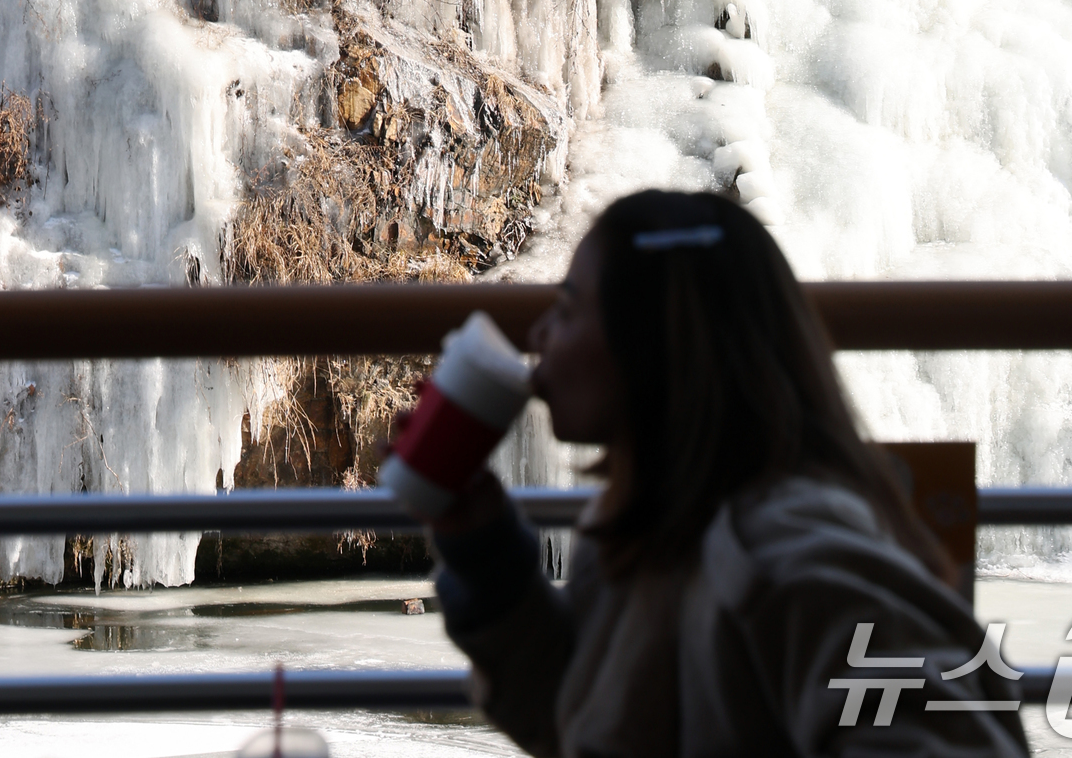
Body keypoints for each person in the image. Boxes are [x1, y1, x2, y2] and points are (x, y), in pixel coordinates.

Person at [422, 189, 1029, 758]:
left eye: (569, 306)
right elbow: (588, 723)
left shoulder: (780, 552)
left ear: (657, 340)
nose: (540, 333)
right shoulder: (645, 535)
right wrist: (486, 551)